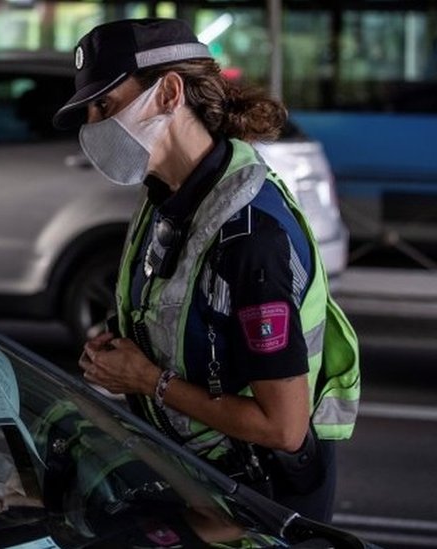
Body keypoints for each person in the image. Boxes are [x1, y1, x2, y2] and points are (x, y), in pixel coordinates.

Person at [52, 18, 360, 523]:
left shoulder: (251, 233)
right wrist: (119, 349)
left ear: (169, 92)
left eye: (105, 105)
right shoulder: (167, 198)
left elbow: (283, 427)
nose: (93, 123)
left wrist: (147, 379)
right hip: (199, 484)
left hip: (259, 509)